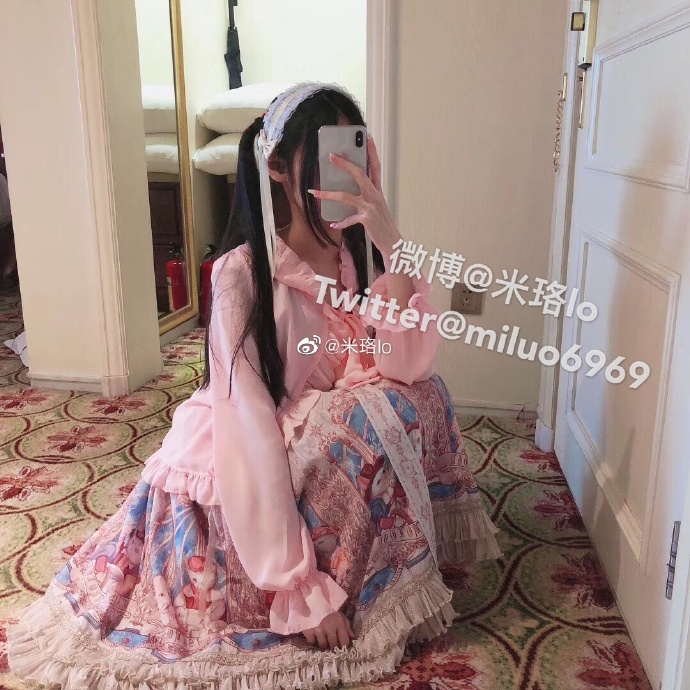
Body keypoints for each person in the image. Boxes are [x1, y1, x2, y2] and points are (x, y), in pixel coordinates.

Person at [7, 83, 501, 689]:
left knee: (417, 397)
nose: (342, 168)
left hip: (311, 433)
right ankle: (311, 571)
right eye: (323, 152)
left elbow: (406, 367)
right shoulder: (245, 274)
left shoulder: (358, 257)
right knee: (367, 416)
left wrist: (390, 241)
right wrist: (295, 582)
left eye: (352, 149)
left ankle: (387, 559)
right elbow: (247, 422)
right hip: (245, 449)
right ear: (276, 166)